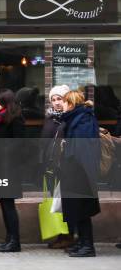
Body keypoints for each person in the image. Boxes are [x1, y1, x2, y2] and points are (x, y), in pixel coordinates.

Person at [59, 91, 101, 257]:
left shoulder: (83, 119)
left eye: (64, 101)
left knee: (82, 210)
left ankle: (88, 246)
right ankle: (81, 242)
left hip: (81, 172)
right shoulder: (74, 118)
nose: (61, 105)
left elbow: (84, 148)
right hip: (74, 170)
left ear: (71, 103)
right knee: (76, 210)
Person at [0, 89, 25, 253]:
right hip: (1, 167)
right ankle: (9, 238)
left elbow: (19, 144)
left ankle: (14, 241)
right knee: (3, 203)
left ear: (5, 102)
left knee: (8, 204)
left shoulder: (15, 119)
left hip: (10, 168)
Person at [41, 85, 74, 250]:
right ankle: (61, 234)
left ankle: (69, 235)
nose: (56, 103)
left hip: (65, 166)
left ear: (66, 99)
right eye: (53, 100)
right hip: (51, 165)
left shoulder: (69, 119)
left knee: (66, 202)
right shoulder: (50, 118)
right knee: (56, 202)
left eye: (59, 99)